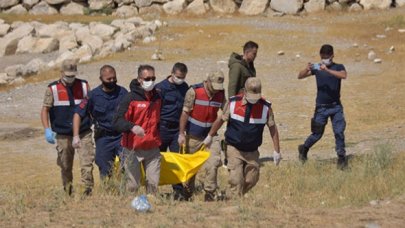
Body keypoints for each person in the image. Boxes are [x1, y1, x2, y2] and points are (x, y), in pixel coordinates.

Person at [208, 77, 281, 197]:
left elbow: (273, 128)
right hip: (234, 148)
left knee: (251, 179)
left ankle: (231, 196)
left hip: (252, 151)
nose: (253, 100)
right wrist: (210, 136)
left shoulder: (265, 107)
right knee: (236, 180)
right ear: (244, 92)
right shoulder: (233, 103)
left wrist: (277, 151)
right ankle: (233, 204)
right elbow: (221, 120)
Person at [40, 59, 94, 196]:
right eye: (68, 75)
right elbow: (45, 110)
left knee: (87, 163)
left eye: (73, 75)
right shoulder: (52, 89)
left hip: (83, 131)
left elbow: (91, 106)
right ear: (61, 73)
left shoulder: (84, 85)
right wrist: (47, 129)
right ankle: (68, 190)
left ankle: (88, 191)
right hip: (63, 134)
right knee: (65, 165)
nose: (70, 78)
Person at [72, 65, 128, 181]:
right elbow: (78, 113)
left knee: (128, 164)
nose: (112, 81)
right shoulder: (93, 95)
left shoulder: (123, 92)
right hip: (104, 138)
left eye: (114, 78)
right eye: (109, 79)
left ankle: (126, 193)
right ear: (101, 79)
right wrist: (76, 136)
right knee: (104, 168)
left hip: (121, 136)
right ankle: (108, 192)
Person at [297, 44, 348, 170]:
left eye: (327, 57)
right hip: (321, 108)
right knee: (317, 134)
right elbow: (300, 76)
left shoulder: (338, 67)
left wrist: (327, 70)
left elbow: (344, 75)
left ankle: (341, 158)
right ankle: (304, 148)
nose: (324, 59)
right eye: (323, 57)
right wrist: (306, 68)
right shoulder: (317, 68)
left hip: (336, 107)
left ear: (332, 56)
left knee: (339, 132)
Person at [178, 71, 226, 201]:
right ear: (207, 82)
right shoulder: (194, 92)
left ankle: (209, 194)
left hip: (211, 137)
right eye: (214, 86)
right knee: (190, 168)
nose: (216, 90)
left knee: (213, 163)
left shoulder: (221, 94)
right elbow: (185, 113)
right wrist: (181, 134)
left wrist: (211, 135)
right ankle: (187, 193)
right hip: (193, 137)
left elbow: (223, 115)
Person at [113, 64, 162, 194]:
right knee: (133, 186)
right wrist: (132, 127)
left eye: (153, 78)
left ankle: (152, 207)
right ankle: (131, 209)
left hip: (152, 147)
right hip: (132, 148)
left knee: (153, 185)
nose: (151, 81)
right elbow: (117, 121)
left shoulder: (158, 97)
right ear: (139, 79)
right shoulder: (130, 98)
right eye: (147, 79)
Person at [155, 62, 189, 200]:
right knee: (155, 161)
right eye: (178, 76)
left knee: (177, 160)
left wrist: (182, 132)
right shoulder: (160, 88)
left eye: (183, 77)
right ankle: (152, 189)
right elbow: (155, 110)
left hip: (176, 130)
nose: (180, 79)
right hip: (162, 128)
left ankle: (179, 191)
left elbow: (185, 110)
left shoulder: (184, 87)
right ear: (172, 73)